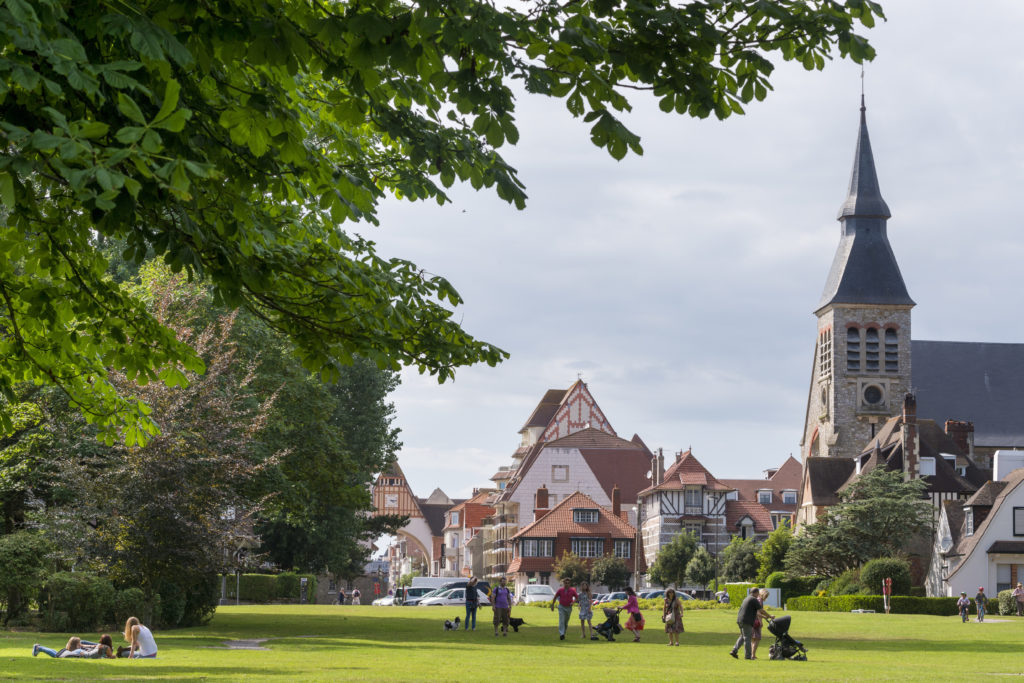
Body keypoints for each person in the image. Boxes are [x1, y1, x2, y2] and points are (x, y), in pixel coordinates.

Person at [729, 587, 772, 660]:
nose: (758, 595)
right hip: (747, 621)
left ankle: (734, 650)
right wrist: (769, 616)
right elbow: (761, 610)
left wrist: (765, 617)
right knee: (747, 638)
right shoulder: (754, 599)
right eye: (758, 593)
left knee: (743, 636)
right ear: (756, 593)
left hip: (740, 620)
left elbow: (756, 612)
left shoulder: (747, 598)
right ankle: (748, 656)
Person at [750, 588, 770, 659]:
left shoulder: (756, 599)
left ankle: (751, 654)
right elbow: (758, 612)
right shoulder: (760, 601)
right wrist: (761, 622)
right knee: (757, 638)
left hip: (752, 620)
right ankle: (753, 655)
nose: (766, 597)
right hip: (756, 621)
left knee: (753, 639)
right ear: (763, 594)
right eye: (766, 596)